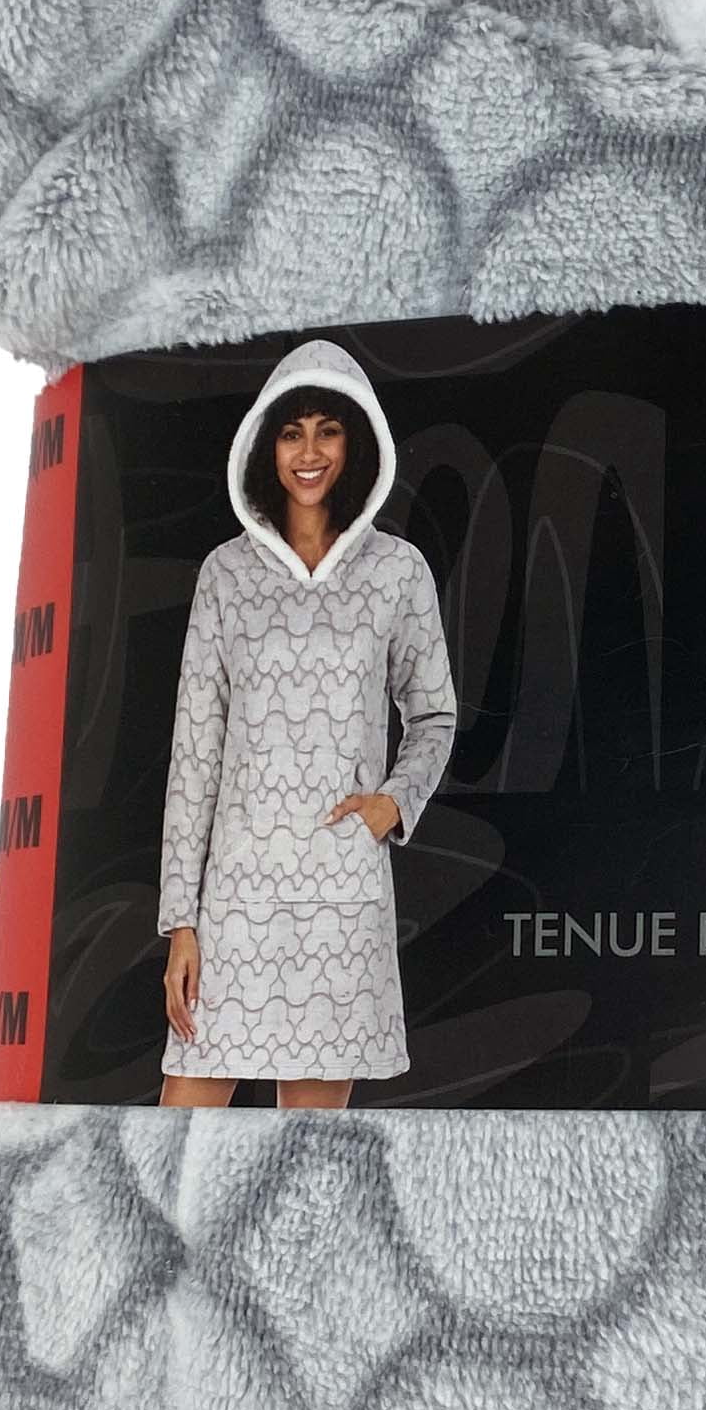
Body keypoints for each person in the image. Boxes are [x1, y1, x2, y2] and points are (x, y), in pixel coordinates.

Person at [156, 341, 454, 1107]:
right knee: (176, 1145)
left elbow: (433, 713)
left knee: (308, 1157)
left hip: (339, 896)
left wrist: (393, 803)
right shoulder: (225, 575)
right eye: (292, 433)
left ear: (358, 444)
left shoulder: (397, 571)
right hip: (236, 897)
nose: (310, 452)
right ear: (267, 445)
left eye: (329, 431)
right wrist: (181, 923)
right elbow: (194, 753)